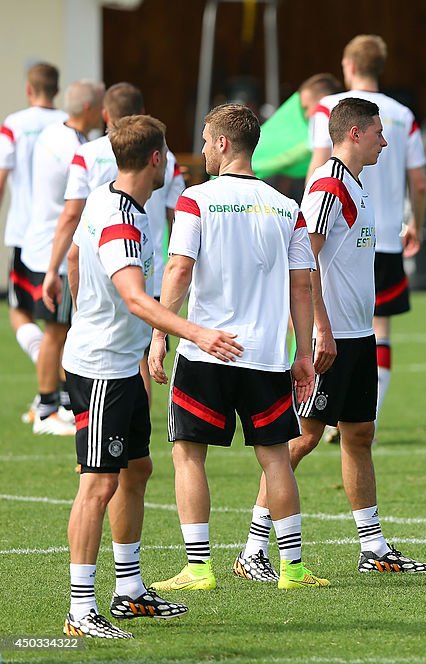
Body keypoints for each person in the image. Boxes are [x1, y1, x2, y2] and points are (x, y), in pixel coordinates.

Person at [235, 98, 426, 582]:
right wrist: (319, 329)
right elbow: (305, 261)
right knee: (301, 440)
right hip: (333, 339)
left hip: (359, 335)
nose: (386, 141)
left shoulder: (360, 187)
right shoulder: (326, 186)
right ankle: (252, 549)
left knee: (359, 436)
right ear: (356, 133)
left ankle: (373, 548)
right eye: (379, 133)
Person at [61, 115, 240, 638]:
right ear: (157, 158)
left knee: (136, 472)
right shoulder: (118, 220)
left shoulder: (114, 200)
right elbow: (136, 298)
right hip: (101, 368)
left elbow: (75, 259)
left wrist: (90, 314)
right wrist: (194, 333)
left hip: (121, 361)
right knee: (97, 484)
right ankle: (79, 609)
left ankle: (130, 590)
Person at [149, 103, 329, 591]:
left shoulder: (196, 200)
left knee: (188, 454)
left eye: (207, 139)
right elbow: (301, 286)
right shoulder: (287, 208)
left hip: (207, 351)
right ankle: (291, 569)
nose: (204, 147)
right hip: (267, 355)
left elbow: (179, 269)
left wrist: (160, 332)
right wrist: (304, 354)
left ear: (224, 143)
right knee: (274, 456)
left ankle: (199, 568)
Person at [308, 35, 426, 434]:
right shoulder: (404, 114)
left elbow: (317, 166)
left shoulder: (329, 107)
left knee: (319, 318)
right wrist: (417, 224)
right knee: (380, 330)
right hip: (386, 238)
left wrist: (304, 217)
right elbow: (420, 182)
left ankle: (342, 414)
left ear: (349, 64)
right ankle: (345, 408)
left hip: (341, 232)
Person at [42, 81, 186, 398]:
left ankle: (129, 435)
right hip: (148, 274)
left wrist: (53, 272)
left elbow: (71, 220)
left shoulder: (88, 159)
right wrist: (199, 332)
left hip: (103, 279)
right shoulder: (165, 157)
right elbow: (178, 218)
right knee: (136, 356)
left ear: (107, 113)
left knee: (125, 355)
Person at [19, 79, 105, 436]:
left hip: (41, 241)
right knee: (56, 329)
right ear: (90, 109)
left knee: (62, 327)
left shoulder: (53, 136)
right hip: (54, 247)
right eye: (101, 105)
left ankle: (63, 403)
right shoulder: (75, 147)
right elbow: (73, 207)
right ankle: (45, 408)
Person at [0, 63, 66, 390]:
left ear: (29, 89)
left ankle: (45, 365)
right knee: (60, 319)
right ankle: (56, 381)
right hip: (61, 236)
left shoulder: (15, 124)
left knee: (19, 311)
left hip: (25, 234)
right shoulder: (69, 123)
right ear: (56, 88)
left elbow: (2, 175)